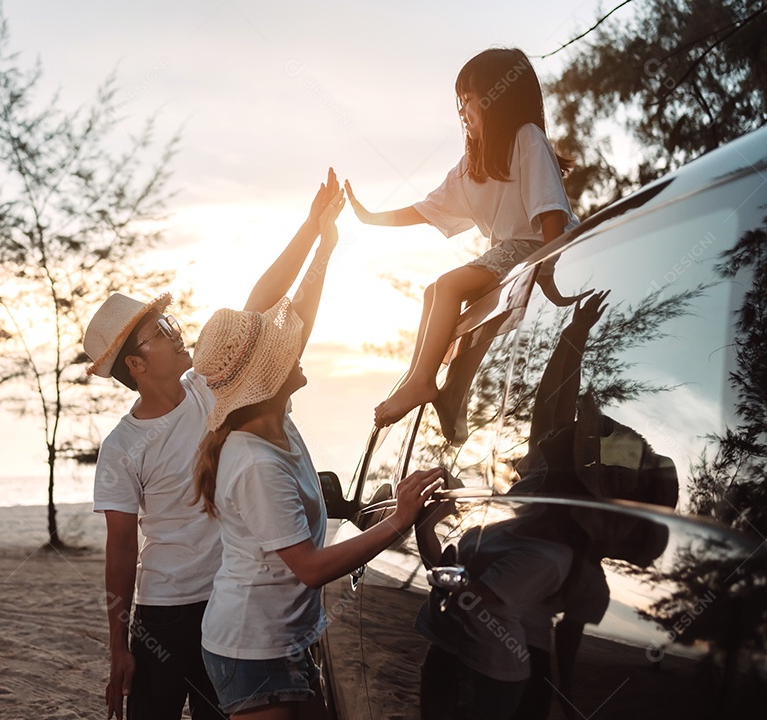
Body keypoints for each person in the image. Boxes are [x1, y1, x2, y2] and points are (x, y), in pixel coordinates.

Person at [84, 169, 343, 720]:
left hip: (226, 604)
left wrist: (312, 229)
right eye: (162, 332)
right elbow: (121, 552)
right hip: (164, 613)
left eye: (170, 322)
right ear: (136, 364)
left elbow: (260, 302)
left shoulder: (209, 389)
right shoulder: (122, 447)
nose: (179, 333)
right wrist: (118, 644)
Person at [191, 187, 443, 719]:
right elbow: (308, 567)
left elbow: (296, 310)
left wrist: (324, 243)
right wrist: (400, 520)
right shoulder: (257, 462)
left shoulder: (275, 420)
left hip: (283, 639)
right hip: (250, 648)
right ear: (269, 378)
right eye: (283, 351)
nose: (296, 346)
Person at [345, 47, 579, 429]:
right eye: (460, 102)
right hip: (513, 255)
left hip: (539, 250)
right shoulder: (474, 165)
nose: (461, 112)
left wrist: (549, 275)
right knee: (433, 294)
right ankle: (426, 382)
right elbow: (426, 208)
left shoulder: (527, 138)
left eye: (468, 100)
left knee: (449, 285)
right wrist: (371, 217)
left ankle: (422, 381)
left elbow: (552, 213)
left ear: (498, 100)